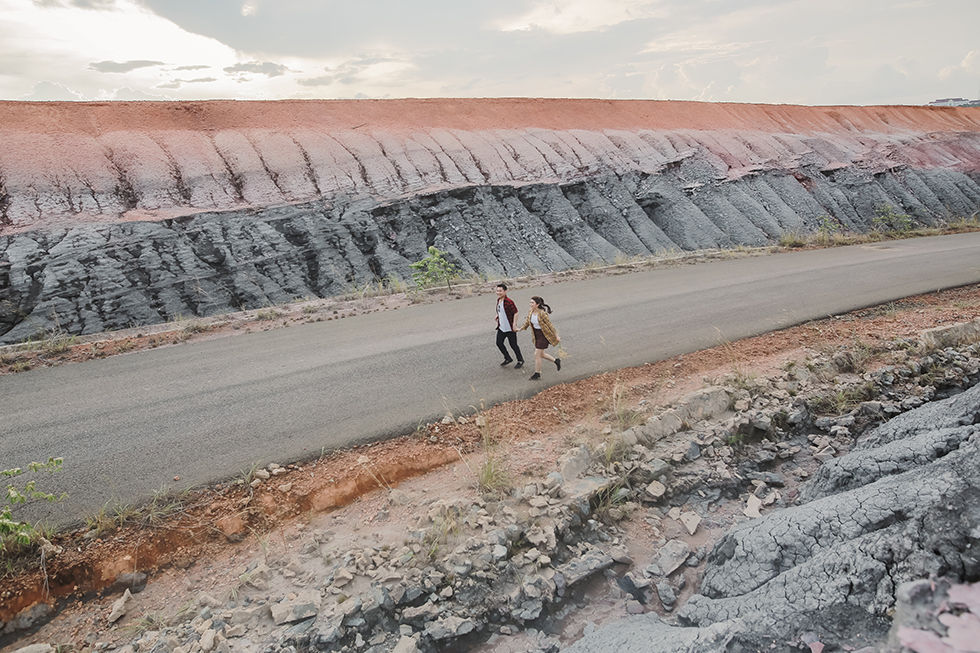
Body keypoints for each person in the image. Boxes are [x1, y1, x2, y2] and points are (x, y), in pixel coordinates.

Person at [517, 295, 561, 380]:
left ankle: (537, 373)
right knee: (542, 354)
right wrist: (520, 329)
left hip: (544, 335)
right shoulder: (530, 311)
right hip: (536, 334)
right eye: (530, 302)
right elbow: (527, 322)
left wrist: (556, 336)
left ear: (537, 304)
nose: (530, 304)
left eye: (532, 303)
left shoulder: (542, 313)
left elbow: (550, 325)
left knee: (537, 355)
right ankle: (556, 361)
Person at [494, 283, 524, 368]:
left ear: (505, 291)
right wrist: (498, 315)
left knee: (513, 345)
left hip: (510, 328)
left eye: (500, 291)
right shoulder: (498, 300)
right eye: (497, 291)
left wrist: (514, 325)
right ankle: (508, 358)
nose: (498, 292)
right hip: (501, 328)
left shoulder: (509, 302)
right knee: (499, 343)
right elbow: (501, 310)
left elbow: (516, 313)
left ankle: (520, 360)